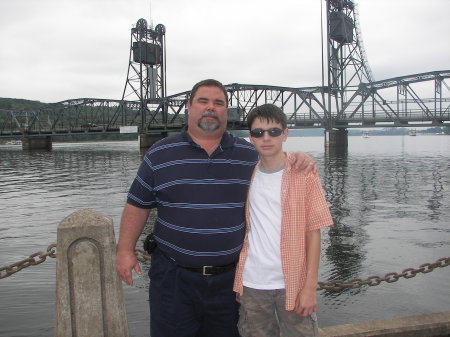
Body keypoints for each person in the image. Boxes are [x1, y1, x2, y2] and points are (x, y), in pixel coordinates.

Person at [115, 79, 316, 337]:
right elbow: (137, 205)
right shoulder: (160, 153)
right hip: (173, 278)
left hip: (229, 282)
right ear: (189, 107)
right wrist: (124, 250)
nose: (211, 108)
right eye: (203, 101)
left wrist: (300, 158)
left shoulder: (248, 155)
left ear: (226, 110)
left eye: (218, 103)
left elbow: (276, 162)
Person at [233, 104, 333, 337]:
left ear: (285, 134)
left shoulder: (304, 173)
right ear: (251, 137)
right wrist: (240, 283)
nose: (266, 138)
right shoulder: (247, 173)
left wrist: (310, 287)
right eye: (258, 133)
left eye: (273, 131)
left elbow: (313, 232)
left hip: (293, 282)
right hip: (253, 283)